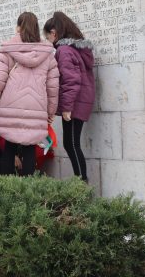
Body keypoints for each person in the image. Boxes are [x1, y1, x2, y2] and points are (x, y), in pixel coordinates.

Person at [0, 13, 60, 176]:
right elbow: (53, 86)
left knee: (10, 147)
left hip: (10, 104)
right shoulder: (47, 53)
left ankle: (7, 188)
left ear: (18, 27)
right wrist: (51, 111)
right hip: (36, 105)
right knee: (29, 148)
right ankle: (27, 191)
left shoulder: (8, 50)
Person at [44, 12, 95, 182]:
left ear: (54, 33)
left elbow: (71, 81)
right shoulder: (74, 49)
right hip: (78, 102)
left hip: (73, 104)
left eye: (47, 36)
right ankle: (81, 183)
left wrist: (67, 108)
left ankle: (82, 185)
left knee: (71, 144)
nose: (47, 40)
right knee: (71, 144)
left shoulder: (64, 51)